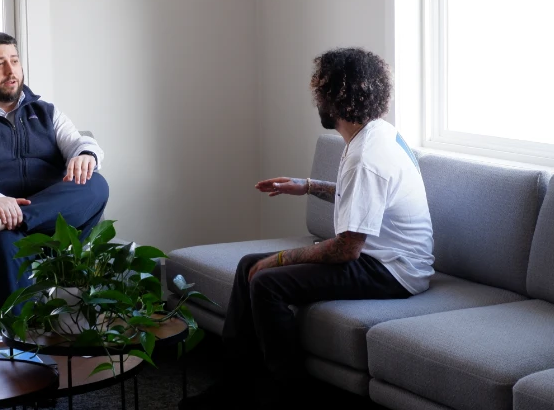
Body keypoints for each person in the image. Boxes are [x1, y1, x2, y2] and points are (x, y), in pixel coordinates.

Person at [178, 47, 434, 410]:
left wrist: (278, 259)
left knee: (266, 281)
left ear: (331, 99)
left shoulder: (367, 156)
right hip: (383, 258)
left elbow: (347, 249)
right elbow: (361, 199)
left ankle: (289, 397)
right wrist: (309, 185)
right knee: (247, 264)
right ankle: (233, 387)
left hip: (394, 270)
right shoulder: (375, 134)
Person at [0, 31, 109, 315]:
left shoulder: (46, 111)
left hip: (44, 227)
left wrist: (86, 154)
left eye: (14, 61)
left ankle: (4, 221)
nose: (11, 71)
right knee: (2, 240)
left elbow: (78, 141)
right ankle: (16, 345)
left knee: (95, 184)